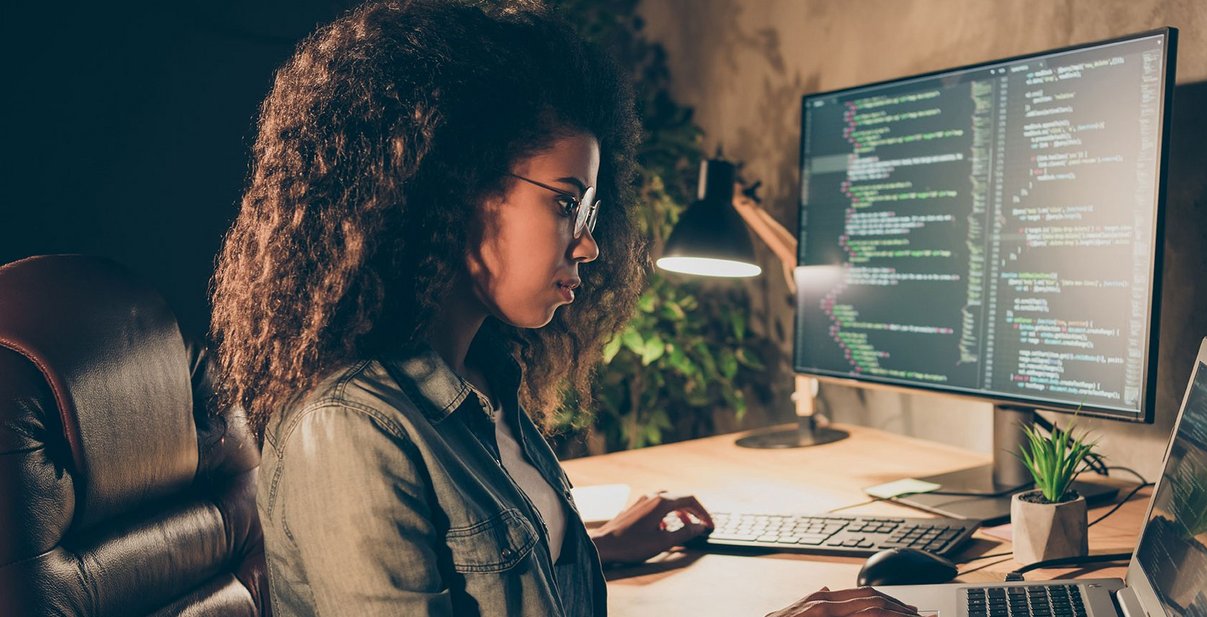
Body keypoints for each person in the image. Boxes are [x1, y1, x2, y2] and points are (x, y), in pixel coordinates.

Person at [210, 1, 922, 615]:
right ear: (451, 191)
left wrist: (593, 546)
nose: (588, 245)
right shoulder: (352, 432)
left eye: (589, 209)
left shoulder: (485, 384)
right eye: (563, 201)